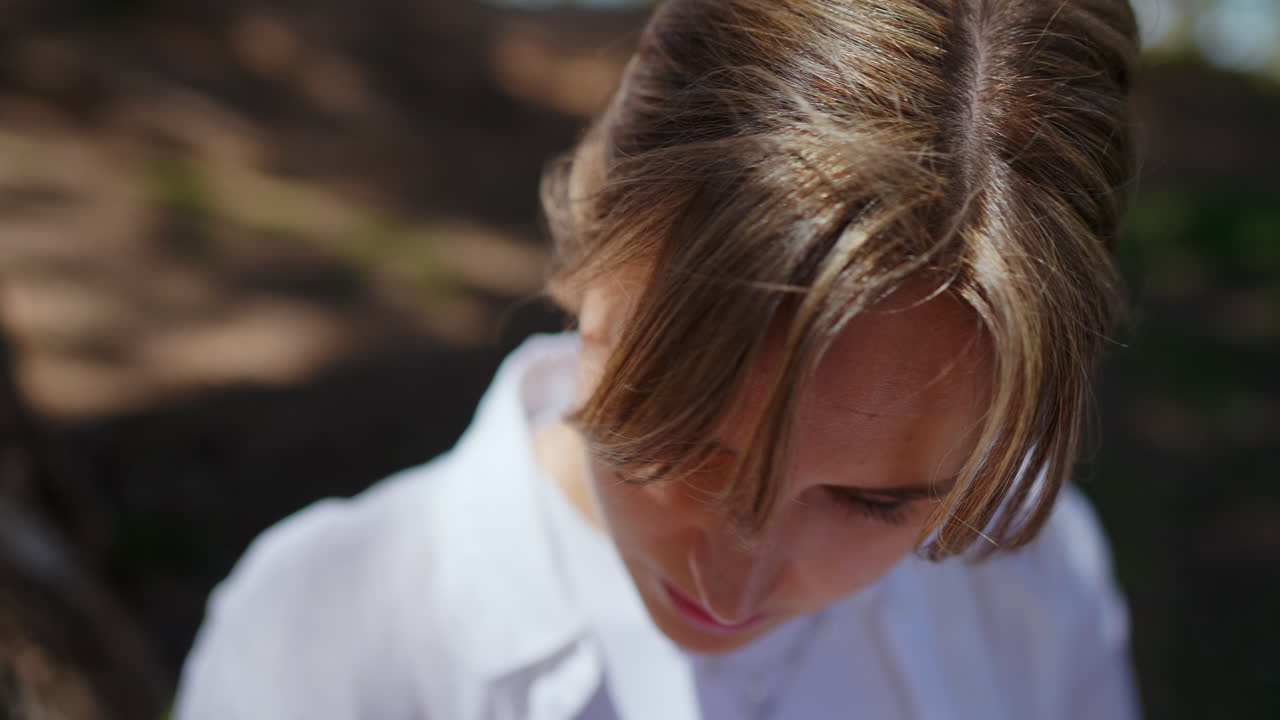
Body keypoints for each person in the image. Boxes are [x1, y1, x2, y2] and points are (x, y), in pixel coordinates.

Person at [175, 0, 1141, 717]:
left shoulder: (1030, 579)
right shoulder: (333, 636)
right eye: (680, 438)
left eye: (872, 502)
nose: (732, 586)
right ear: (596, 214)